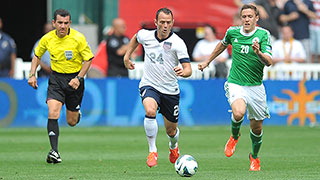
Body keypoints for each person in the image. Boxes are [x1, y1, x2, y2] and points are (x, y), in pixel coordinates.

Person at [198, 4, 273, 171]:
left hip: (255, 86)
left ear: (256, 18)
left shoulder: (263, 35)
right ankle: (234, 136)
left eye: (250, 16)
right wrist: (207, 61)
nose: (246, 19)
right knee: (238, 112)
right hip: (236, 82)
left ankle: (254, 156)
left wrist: (258, 52)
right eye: (244, 16)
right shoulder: (232, 32)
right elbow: (222, 45)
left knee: (257, 127)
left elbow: (269, 62)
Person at [123, 8, 192, 168]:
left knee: (171, 131)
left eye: (168, 22)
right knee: (150, 111)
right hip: (150, 84)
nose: (165, 25)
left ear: (172, 23)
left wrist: (184, 72)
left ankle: (173, 147)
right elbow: (136, 38)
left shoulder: (178, 43)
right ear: (156, 23)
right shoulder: (146, 35)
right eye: (162, 22)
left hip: (170, 90)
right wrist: (127, 56)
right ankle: (152, 150)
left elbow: (188, 69)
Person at [27, 9, 94, 164]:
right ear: (54, 23)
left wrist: (79, 78)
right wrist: (32, 74)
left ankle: (76, 113)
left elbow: (88, 59)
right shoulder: (47, 39)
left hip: (74, 80)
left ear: (69, 23)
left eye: (66, 23)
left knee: (71, 121)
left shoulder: (78, 38)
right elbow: (37, 55)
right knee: (53, 111)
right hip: (56, 79)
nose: (63, 26)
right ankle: (54, 151)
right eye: (60, 23)